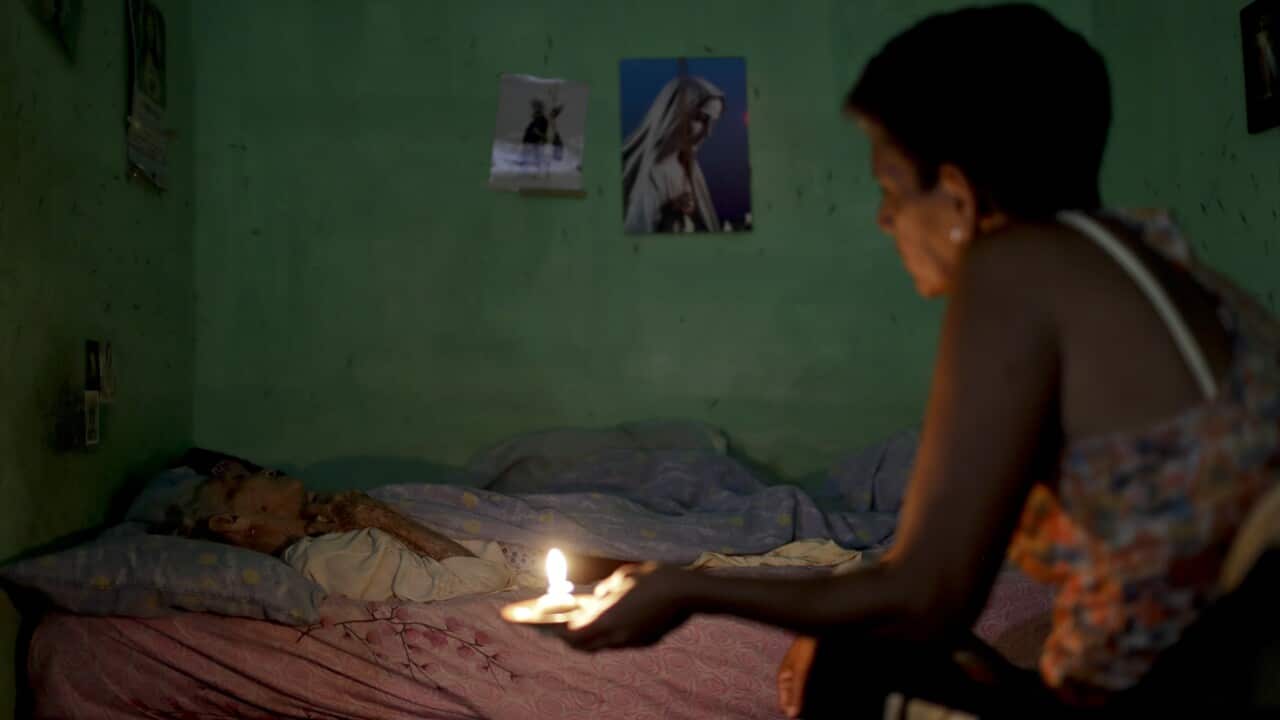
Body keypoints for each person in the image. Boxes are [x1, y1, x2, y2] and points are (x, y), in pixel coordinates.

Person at [564, 5, 1280, 718]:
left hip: (1178, 694)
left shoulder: (1010, 266)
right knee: (860, 642)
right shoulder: (1161, 264)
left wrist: (686, 588)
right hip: (1212, 665)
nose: (883, 219)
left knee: (849, 661)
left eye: (890, 189)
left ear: (961, 198)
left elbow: (924, 595)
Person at [168, 459, 628, 586]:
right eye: (240, 482)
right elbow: (481, 574)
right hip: (523, 563)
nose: (257, 470)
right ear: (231, 521)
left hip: (527, 540)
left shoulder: (333, 522)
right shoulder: (321, 557)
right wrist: (382, 517)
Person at [622, 74, 725, 233]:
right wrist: (669, 213)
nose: (708, 132)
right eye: (701, 118)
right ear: (674, 113)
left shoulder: (688, 167)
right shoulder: (646, 174)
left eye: (713, 122)